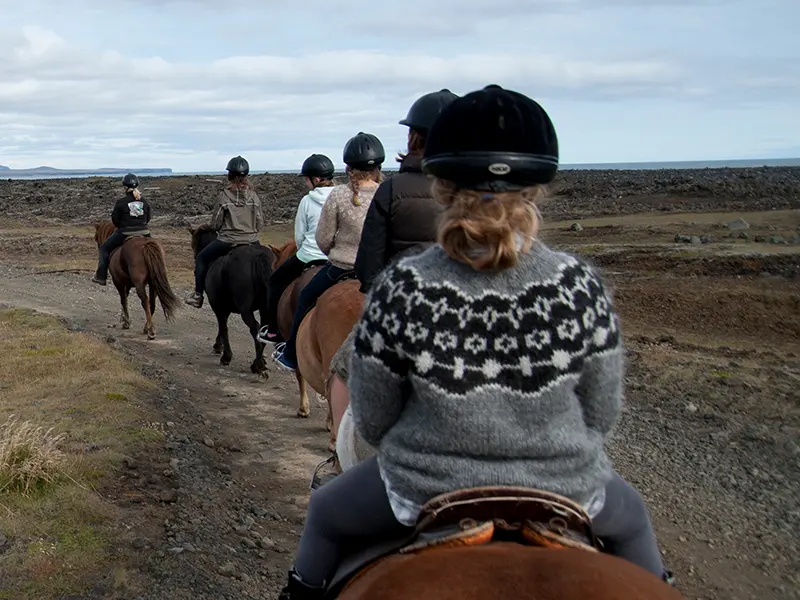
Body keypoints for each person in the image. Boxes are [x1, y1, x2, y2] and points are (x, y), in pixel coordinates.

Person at [278, 85, 672, 600]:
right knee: (637, 524)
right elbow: (601, 414)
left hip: (423, 484)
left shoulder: (405, 287)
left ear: (441, 185)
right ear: (536, 187)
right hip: (565, 484)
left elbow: (372, 419)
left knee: (327, 514)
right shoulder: (578, 285)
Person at [326, 89, 460, 445]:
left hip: (403, 309)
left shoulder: (393, 189)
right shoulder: (472, 190)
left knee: (341, 372)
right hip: (463, 308)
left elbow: (369, 264)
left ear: (413, 137)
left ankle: (341, 457)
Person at [272, 132, 384, 372]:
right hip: (378, 271)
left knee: (305, 297)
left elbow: (322, 238)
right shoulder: (387, 192)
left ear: (348, 167)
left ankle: (291, 354)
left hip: (341, 268)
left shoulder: (340, 195)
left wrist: (334, 252)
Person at [258, 154, 336, 344]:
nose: (306, 184)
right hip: (337, 258)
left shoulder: (307, 201)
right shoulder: (342, 196)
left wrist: (305, 251)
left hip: (309, 256)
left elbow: (300, 237)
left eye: (307, 179)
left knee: (275, 282)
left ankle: (273, 331)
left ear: (316, 179)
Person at [185, 155, 264, 308]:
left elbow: (216, 224)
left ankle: (198, 295)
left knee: (201, 258)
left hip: (228, 240)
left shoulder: (224, 196)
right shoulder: (254, 197)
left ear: (230, 175)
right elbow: (260, 223)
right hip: (252, 240)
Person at [92, 173, 151, 286]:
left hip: (125, 232)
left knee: (104, 248)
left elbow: (115, 220)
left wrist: (123, 226)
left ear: (124, 187)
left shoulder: (121, 202)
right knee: (155, 250)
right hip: (145, 232)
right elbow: (148, 218)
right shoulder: (144, 202)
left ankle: (101, 276)